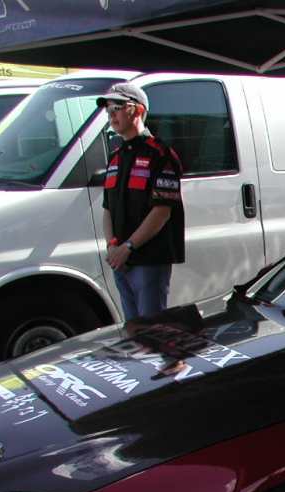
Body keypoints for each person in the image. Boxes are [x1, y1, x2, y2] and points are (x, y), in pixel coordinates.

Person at [97, 82, 184, 321]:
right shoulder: (116, 157)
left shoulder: (160, 154)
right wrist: (112, 247)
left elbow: (162, 211)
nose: (111, 114)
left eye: (117, 107)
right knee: (133, 329)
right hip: (120, 260)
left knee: (152, 328)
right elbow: (107, 209)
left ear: (137, 110)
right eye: (108, 109)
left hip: (148, 260)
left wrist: (128, 247)